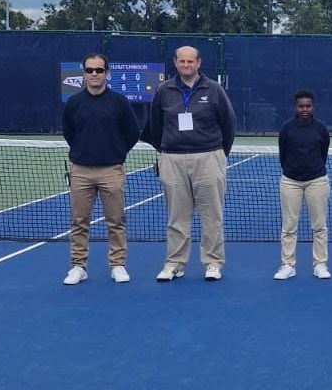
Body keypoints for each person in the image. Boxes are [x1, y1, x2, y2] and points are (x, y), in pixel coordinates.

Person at [145, 46, 236, 282]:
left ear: (199, 63)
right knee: (177, 216)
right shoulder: (164, 90)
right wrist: (168, 149)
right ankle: (175, 263)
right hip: (172, 159)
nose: (186, 65)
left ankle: (213, 262)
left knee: (212, 215)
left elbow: (229, 124)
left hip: (209, 157)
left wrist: (218, 153)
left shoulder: (214, 89)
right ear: (175, 63)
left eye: (190, 61)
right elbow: (155, 125)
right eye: (182, 61)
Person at [60, 53, 140, 285]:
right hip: (80, 171)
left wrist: (116, 152)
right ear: (84, 74)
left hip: (111, 171)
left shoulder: (119, 102)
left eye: (99, 70)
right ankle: (78, 266)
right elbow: (69, 132)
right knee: (79, 221)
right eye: (90, 70)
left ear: (107, 73)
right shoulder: (74, 103)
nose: (94, 74)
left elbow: (132, 132)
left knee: (115, 221)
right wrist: (83, 151)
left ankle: (118, 265)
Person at [275, 89, 332, 280]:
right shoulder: (286, 128)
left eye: (308, 106)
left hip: (317, 181)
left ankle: (320, 264)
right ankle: (288, 265)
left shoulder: (321, 128)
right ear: (295, 107)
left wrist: (312, 171)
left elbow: (323, 152)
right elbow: (283, 154)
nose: (305, 109)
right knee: (289, 227)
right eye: (301, 106)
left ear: (313, 106)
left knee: (319, 226)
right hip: (290, 181)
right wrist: (293, 172)